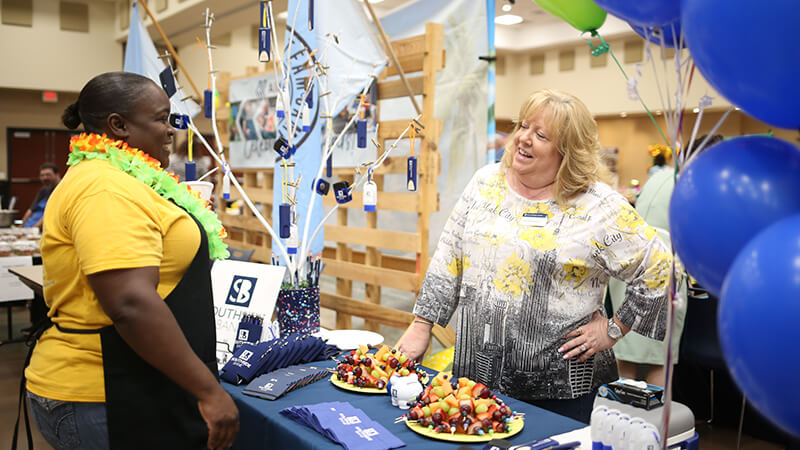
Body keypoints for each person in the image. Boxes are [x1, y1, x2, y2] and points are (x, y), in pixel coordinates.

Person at [398, 89, 671, 423]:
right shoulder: (486, 182)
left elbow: (659, 265)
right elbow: (449, 254)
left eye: (540, 135)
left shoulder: (597, 205)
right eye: (523, 126)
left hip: (560, 392)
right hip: (477, 382)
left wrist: (613, 329)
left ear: (567, 152)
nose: (523, 139)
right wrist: (422, 323)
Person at [21, 72, 238, 449]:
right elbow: (130, 303)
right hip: (100, 393)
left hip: (126, 382)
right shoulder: (104, 187)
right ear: (118, 125)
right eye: (160, 118)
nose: (171, 130)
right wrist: (210, 393)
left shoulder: (123, 179)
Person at [609, 134, 723, 386]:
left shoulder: (658, 176)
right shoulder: (694, 186)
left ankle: (618, 419)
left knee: (627, 355)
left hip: (626, 265)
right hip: (658, 269)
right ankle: (654, 422)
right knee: (657, 359)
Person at [21, 163, 61, 228]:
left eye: (48, 175)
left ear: (57, 175)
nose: (45, 178)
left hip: (43, 228)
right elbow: (30, 210)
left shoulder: (61, 189)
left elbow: (50, 214)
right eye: (42, 175)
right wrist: (20, 227)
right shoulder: (44, 190)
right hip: (29, 227)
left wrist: (34, 229)